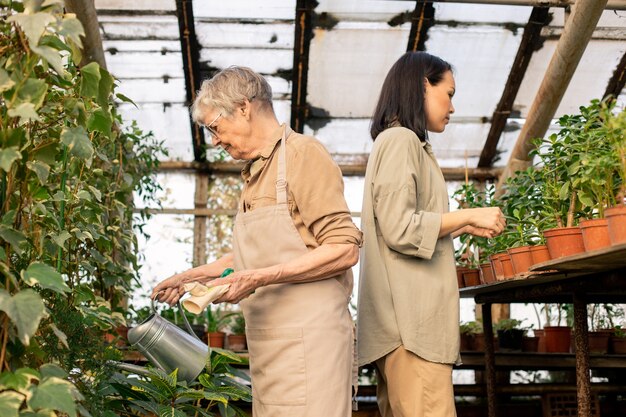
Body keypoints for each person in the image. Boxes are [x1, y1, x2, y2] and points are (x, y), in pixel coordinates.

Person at [151, 66, 362, 417]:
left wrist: (258, 278)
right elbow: (247, 257)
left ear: (244, 108)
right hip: (270, 346)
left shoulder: (302, 154)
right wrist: (192, 277)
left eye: (215, 127)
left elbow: (343, 248)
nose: (214, 140)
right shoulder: (255, 173)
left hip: (310, 345)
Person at [357, 52, 506, 417]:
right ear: (424, 84)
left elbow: (403, 222)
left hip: (407, 332)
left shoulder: (406, 144)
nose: (453, 106)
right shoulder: (400, 140)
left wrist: (458, 223)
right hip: (411, 331)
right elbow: (400, 228)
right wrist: (467, 214)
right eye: (449, 93)